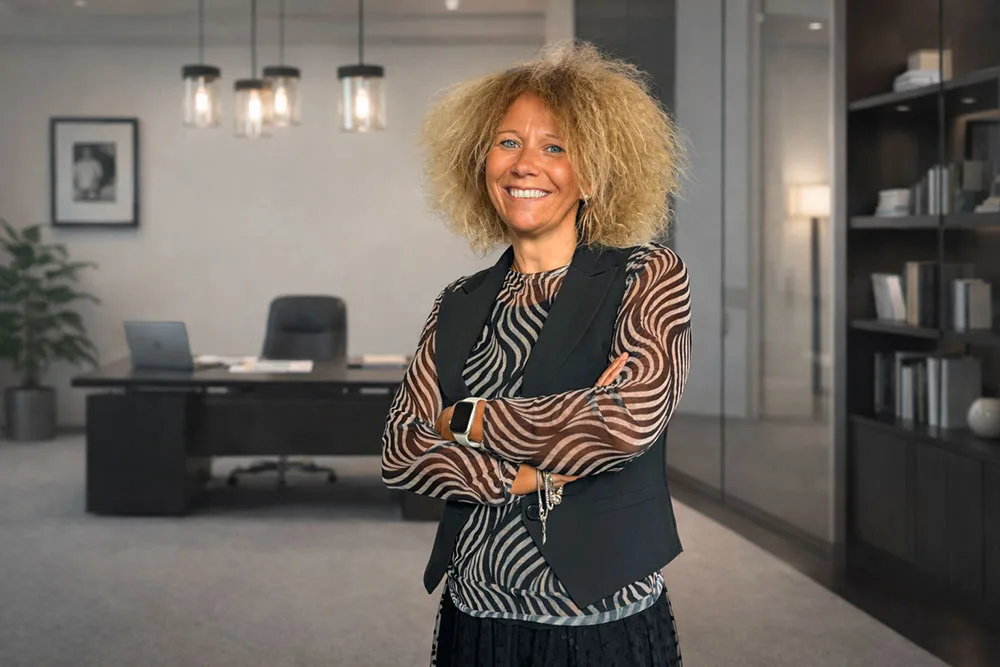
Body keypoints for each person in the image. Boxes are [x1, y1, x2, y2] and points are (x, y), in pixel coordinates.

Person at [381, 41, 692, 667]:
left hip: (599, 616)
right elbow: (401, 451)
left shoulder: (647, 275)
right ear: (481, 164)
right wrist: (527, 473)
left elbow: (623, 423)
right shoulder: (459, 301)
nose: (526, 165)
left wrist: (465, 419)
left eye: (556, 147)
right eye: (507, 143)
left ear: (594, 174)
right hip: (475, 609)